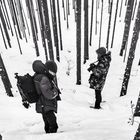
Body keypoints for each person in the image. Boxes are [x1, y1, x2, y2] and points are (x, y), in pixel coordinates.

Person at [32, 60, 61, 133]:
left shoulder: (38, 76)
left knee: (47, 121)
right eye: (52, 72)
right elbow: (48, 94)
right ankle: (52, 135)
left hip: (42, 103)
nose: (53, 75)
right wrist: (55, 92)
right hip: (46, 103)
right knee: (52, 122)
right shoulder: (44, 78)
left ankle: (48, 134)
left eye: (54, 73)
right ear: (47, 70)